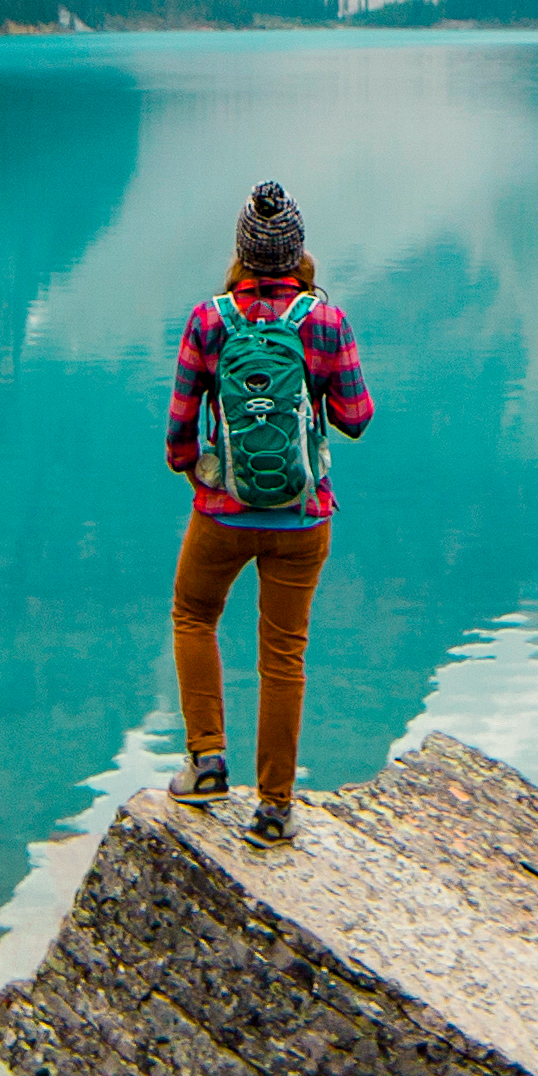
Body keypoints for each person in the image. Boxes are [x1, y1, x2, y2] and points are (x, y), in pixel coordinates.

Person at [162, 178, 372, 845]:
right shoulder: (325, 321)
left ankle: (205, 762)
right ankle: (275, 807)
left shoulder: (207, 320)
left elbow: (176, 439)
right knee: (283, 653)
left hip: (222, 513)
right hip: (303, 517)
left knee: (194, 614)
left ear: (243, 251)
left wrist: (202, 467)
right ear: (298, 250)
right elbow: (357, 418)